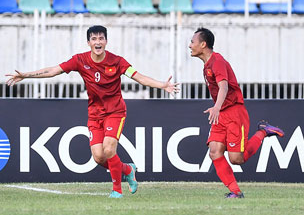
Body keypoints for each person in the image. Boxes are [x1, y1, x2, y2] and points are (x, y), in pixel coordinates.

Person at [5, 25, 179, 198]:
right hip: (95, 114)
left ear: (106, 42)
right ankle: (127, 169)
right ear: (88, 42)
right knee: (98, 157)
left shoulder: (117, 61)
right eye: (94, 39)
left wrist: (162, 85)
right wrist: (26, 75)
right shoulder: (80, 60)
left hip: (115, 112)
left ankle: (117, 190)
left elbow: (139, 77)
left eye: (101, 38)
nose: (98, 42)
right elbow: (53, 70)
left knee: (109, 150)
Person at [189, 27, 284, 199]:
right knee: (214, 151)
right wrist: (218, 108)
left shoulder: (217, 61)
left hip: (233, 113)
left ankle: (263, 131)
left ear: (203, 44)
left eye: (192, 42)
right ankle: (235, 191)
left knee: (236, 159)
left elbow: (223, 86)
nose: (190, 45)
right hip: (221, 113)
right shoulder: (207, 65)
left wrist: (216, 106)